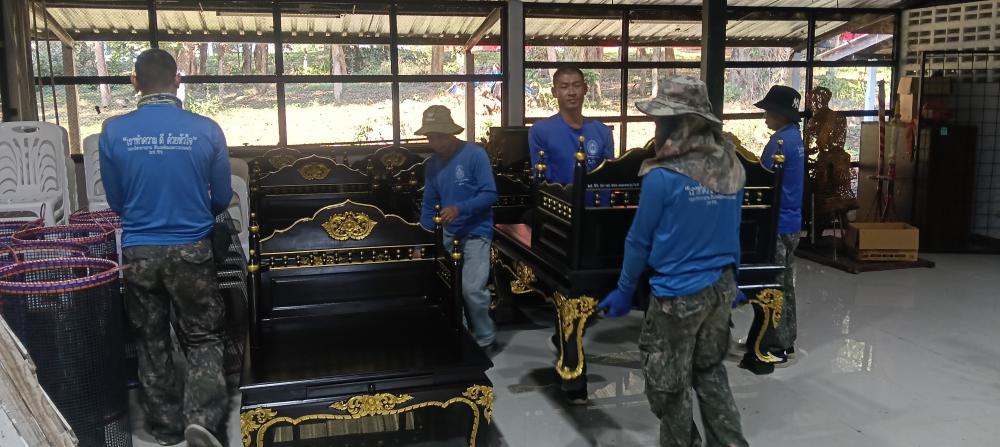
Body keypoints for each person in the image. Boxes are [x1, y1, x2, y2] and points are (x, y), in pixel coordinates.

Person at [598, 75, 749, 447]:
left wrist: (624, 290)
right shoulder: (731, 165)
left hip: (677, 297)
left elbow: (639, 240)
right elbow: (734, 228)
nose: (656, 127)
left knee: (669, 385)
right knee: (710, 371)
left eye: (660, 120)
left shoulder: (663, 177)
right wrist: (734, 278)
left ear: (679, 124)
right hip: (720, 288)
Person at [99, 49, 231, 447]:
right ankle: (203, 421)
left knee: (151, 340)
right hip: (192, 249)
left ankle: (166, 427)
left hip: (139, 251)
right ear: (178, 80)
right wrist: (195, 211)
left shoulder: (113, 132)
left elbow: (117, 201)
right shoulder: (207, 129)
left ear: (134, 82)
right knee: (203, 336)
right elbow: (222, 196)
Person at [417, 105, 499, 352]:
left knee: (471, 289)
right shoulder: (432, 165)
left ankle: (485, 337)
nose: (435, 143)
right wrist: (422, 241)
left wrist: (459, 209)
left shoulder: (475, 154)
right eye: (431, 137)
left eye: (440, 136)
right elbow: (429, 205)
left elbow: (490, 194)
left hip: (476, 230)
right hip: (449, 232)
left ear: (451, 133)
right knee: (444, 284)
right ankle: (459, 334)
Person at [755, 85, 806, 364]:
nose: (765, 116)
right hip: (792, 222)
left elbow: (762, 178)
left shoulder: (780, 143)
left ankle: (774, 345)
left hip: (777, 223)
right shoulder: (795, 138)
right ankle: (787, 340)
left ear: (780, 114)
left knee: (773, 285)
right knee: (786, 283)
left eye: (768, 111)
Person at [529, 65, 615, 184]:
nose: (571, 92)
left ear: (585, 89)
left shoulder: (603, 131)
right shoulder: (540, 130)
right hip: (558, 195)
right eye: (564, 87)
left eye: (577, 85)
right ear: (554, 92)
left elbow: (608, 179)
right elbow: (541, 181)